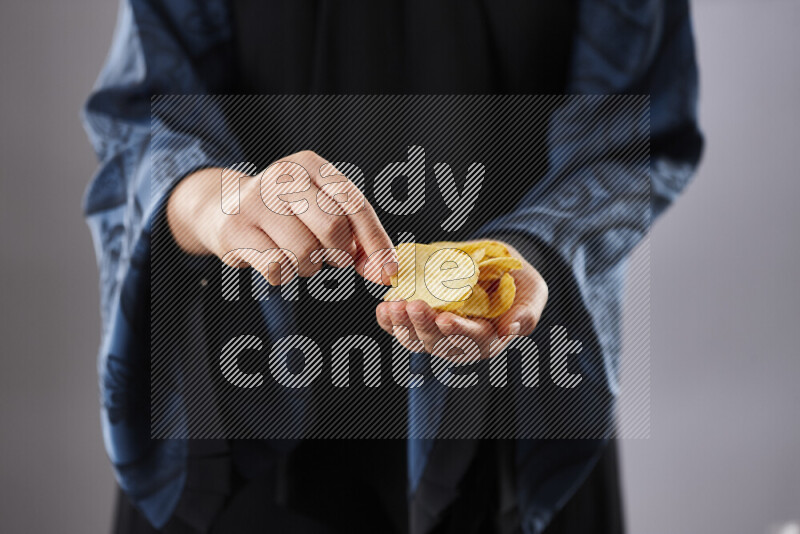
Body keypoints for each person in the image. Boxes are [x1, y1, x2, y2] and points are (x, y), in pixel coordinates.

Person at [83, 1, 703, 533]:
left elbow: (635, 130)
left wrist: (530, 253)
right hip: (236, 424)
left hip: (514, 413)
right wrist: (215, 204)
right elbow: (142, 113)